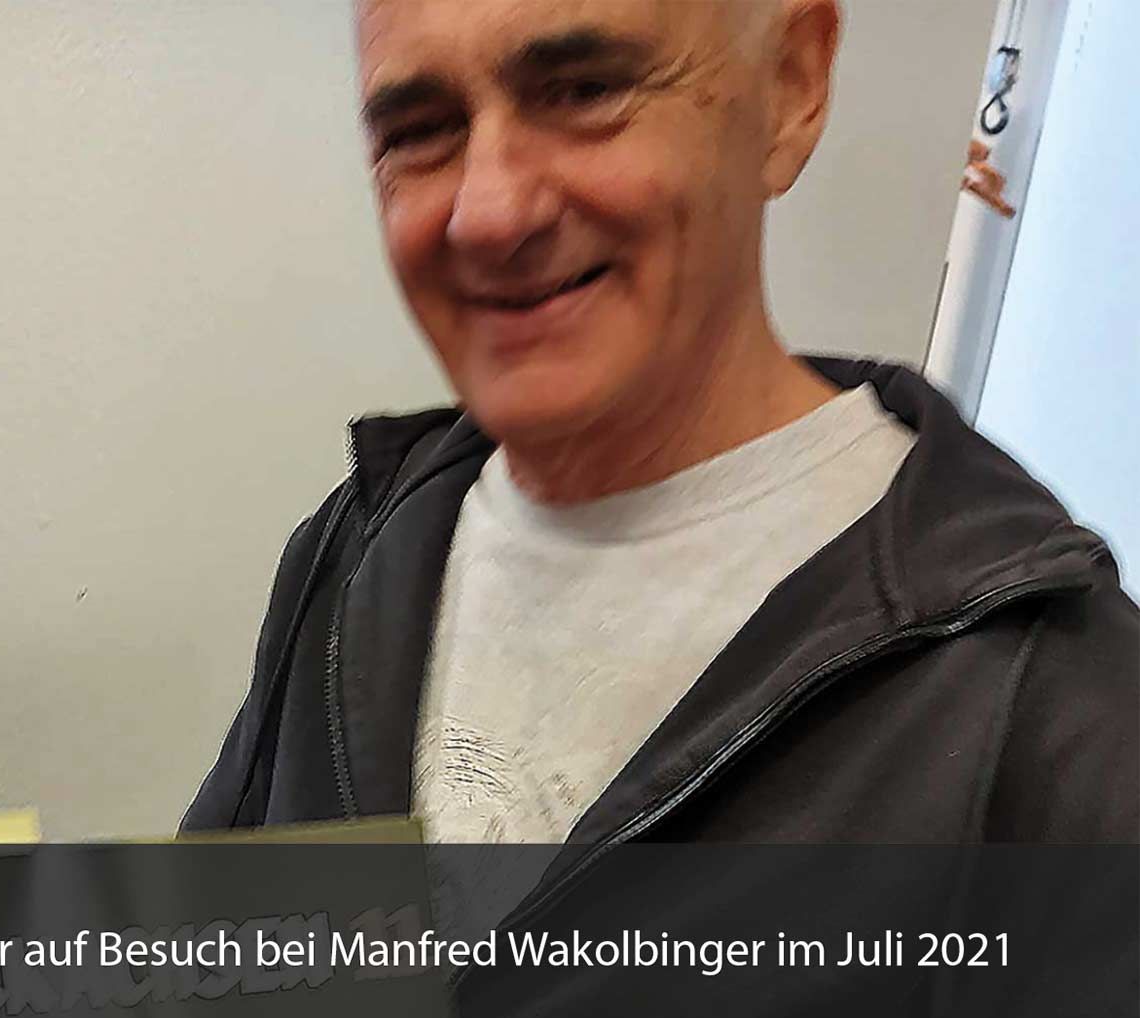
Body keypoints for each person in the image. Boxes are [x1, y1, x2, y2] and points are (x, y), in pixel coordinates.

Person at [181, 0, 1136, 887]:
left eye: (585, 90)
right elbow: (232, 964)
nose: (490, 212)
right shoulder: (356, 548)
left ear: (791, 87)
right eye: (420, 131)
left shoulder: (1060, 713)